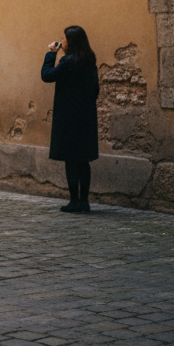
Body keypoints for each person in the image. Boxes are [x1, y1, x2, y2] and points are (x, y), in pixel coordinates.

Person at [41, 25, 100, 213]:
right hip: (86, 116)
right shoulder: (89, 60)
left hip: (69, 117)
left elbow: (47, 76)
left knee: (70, 160)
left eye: (65, 38)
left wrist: (51, 53)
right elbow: (95, 90)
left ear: (71, 41)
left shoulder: (68, 61)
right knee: (83, 160)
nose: (62, 41)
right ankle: (84, 201)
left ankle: (74, 202)